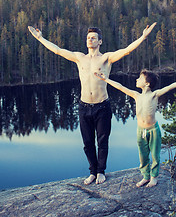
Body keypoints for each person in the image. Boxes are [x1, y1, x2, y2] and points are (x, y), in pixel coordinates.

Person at [28, 23, 157, 185]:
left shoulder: (106, 58)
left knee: (102, 141)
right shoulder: (79, 57)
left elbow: (127, 50)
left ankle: (101, 171)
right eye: (88, 38)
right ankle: (92, 172)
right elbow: (58, 50)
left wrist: (143, 37)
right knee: (87, 143)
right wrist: (41, 38)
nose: (90, 40)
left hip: (102, 106)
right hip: (84, 106)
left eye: (93, 38)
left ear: (99, 42)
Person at [94, 69, 176, 187]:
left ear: (147, 84)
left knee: (154, 155)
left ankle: (154, 177)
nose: (137, 79)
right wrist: (105, 79)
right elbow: (121, 87)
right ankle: (145, 176)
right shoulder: (136, 95)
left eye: (140, 78)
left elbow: (169, 87)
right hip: (140, 131)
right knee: (143, 156)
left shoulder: (154, 95)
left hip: (153, 130)